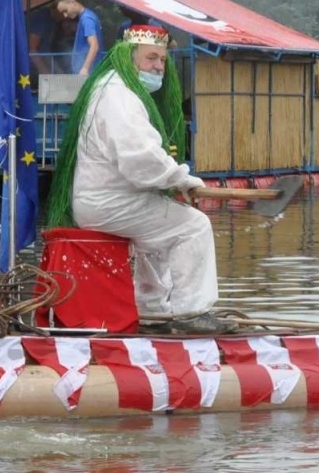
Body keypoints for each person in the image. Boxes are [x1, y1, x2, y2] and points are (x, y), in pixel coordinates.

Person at [44, 24, 227, 333]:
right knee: (193, 227)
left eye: (162, 60)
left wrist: (174, 180)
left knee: (160, 231)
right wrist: (181, 179)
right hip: (108, 203)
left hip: (108, 199)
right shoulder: (118, 96)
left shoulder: (112, 87)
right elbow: (139, 158)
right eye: (151, 58)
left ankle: (152, 313)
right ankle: (192, 314)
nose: (158, 66)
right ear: (129, 57)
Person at [55, 0, 103, 74]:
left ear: (72, 2)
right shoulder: (86, 17)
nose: (65, 15)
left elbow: (94, 45)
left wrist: (85, 68)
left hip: (89, 73)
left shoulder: (86, 19)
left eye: (65, 10)